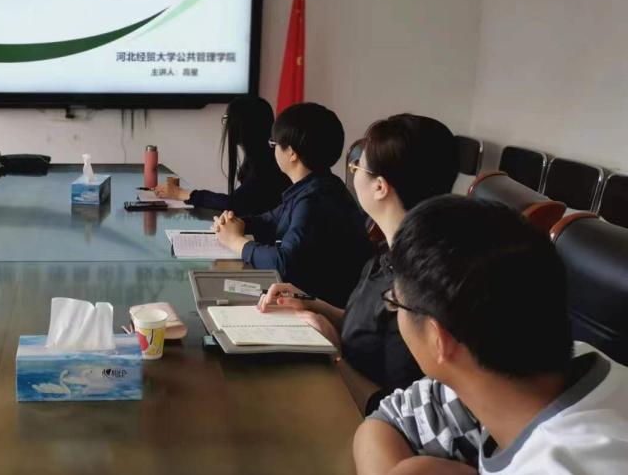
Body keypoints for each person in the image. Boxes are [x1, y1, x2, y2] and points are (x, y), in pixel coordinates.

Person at [309, 196, 628, 475]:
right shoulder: (559, 367)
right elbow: (387, 420)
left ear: (439, 338)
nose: (392, 310)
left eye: (394, 303)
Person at [259, 114, 459, 412]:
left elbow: (391, 404)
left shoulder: (417, 289)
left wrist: (333, 354)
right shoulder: (389, 255)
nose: (352, 175)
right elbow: (366, 331)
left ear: (380, 187)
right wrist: (312, 304)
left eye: (356, 168)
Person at [213, 102, 371, 307]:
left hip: (324, 308)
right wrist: (236, 223)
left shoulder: (315, 201)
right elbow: (270, 220)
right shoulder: (316, 186)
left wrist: (236, 242)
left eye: (274, 144)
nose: (273, 150)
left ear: (292, 153)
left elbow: (285, 263)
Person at [154, 96, 291, 215]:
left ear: (242, 127)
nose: (227, 127)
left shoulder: (266, 164)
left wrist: (181, 193)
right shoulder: (260, 155)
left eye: (228, 120)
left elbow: (235, 204)